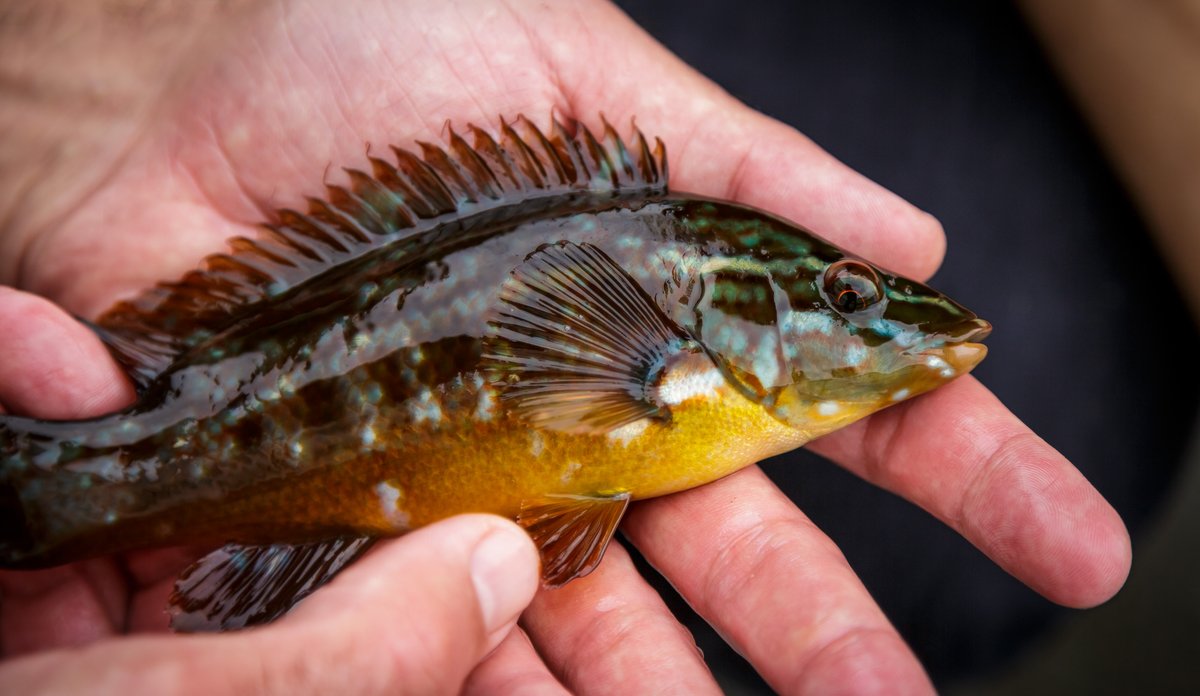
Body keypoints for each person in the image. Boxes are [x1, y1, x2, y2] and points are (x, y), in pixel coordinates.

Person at [0, 0, 1131, 693]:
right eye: (843, 292)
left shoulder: (679, 363)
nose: (876, 314)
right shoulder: (656, 357)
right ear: (719, 302)